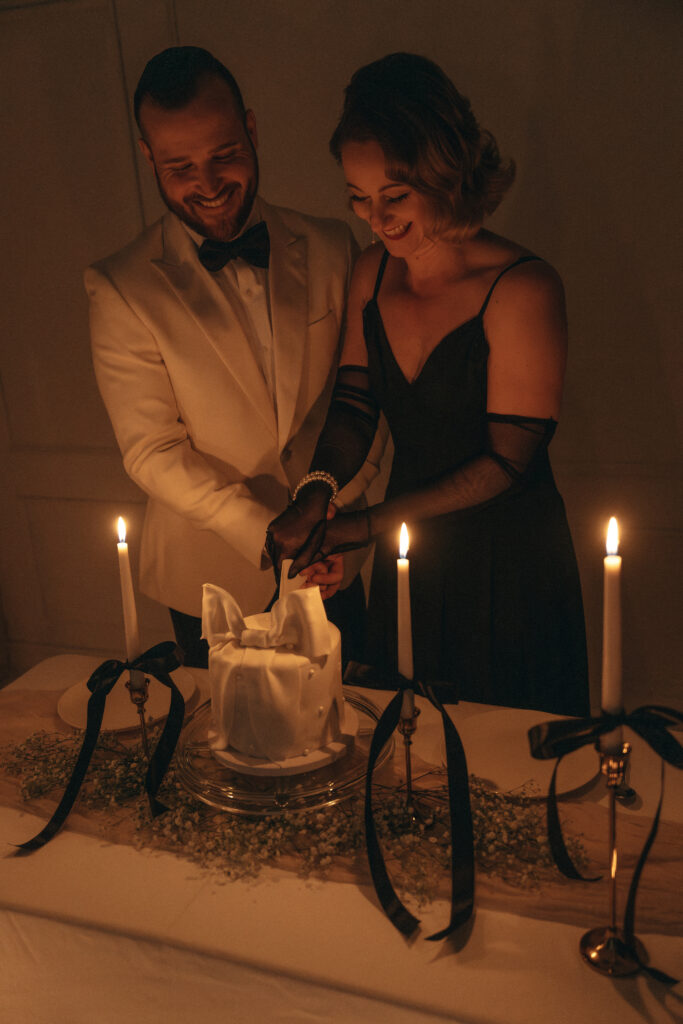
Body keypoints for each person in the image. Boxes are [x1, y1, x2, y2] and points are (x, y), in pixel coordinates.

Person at [267, 53, 589, 717]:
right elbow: (354, 407)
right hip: (412, 550)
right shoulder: (371, 273)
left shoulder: (522, 287)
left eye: (393, 196)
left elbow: (507, 461)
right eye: (358, 198)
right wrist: (316, 496)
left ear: (444, 173)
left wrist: (363, 525)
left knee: (505, 766)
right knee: (409, 758)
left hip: (510, 564)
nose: (374, 221)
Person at [86, 47, 385, 667]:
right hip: (210, 581)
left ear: (251, 128)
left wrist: (340, 527)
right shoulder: (120, 286)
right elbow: (152, 449)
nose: (209, 184)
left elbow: (368, 399)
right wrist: (268, 534)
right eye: (180, 167)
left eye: (224, 154)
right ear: (149, 159)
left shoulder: (334, 245)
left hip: (337, 562)